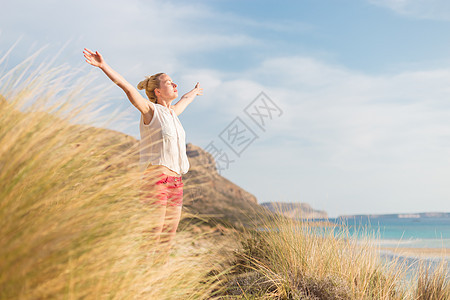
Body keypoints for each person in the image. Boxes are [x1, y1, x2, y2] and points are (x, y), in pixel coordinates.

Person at [83, 48, 202, 251]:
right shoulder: (150, 110)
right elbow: (128, 88)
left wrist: (194, 92)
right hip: (156, 179)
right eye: (168, 82)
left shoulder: (173, 113)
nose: (174, 84)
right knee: (152, 237)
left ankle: (159, 281)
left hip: (176, 183)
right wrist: (103, 66)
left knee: (167, 241)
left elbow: (185, 99)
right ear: (157, 91)